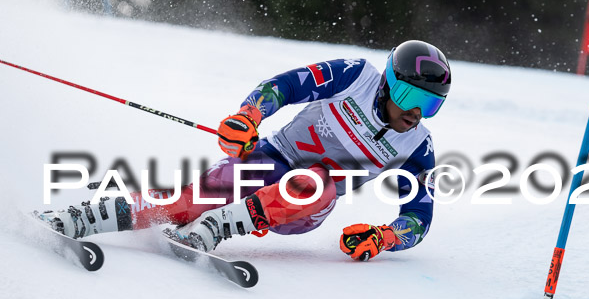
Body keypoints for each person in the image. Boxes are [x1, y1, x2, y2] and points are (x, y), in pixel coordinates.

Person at [37, 40, 451, 261]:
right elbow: (285, 86)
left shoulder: (417, 144)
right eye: (408, 95)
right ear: (387, 82)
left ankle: (215, 229)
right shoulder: (355, 76)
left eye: (430, 104)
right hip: (271, 157)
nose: (416, 112)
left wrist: (383, 238)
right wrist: (249, 116)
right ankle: (84, 219)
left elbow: (418, 217)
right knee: (199, 195)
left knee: (315, 182)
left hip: (307, 204)